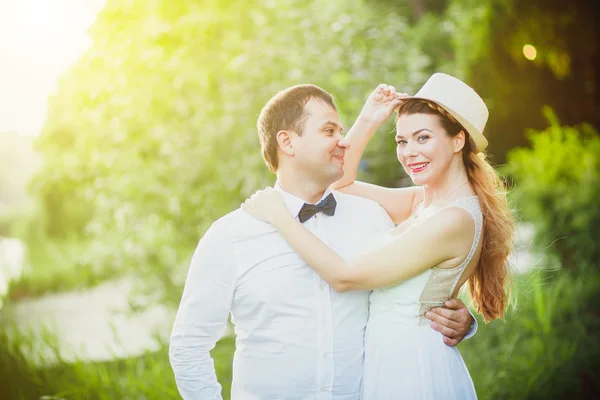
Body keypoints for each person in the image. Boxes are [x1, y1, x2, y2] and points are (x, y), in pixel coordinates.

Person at [169, 82, 477, 400]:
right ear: (287, 142)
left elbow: (414, 283)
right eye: (329, 131)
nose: (342, 142)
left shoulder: (374, 218)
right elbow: (188, 347)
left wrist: (459, 320)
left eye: (341, 131)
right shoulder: (231, 236)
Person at [242, 73, 515, 399]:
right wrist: (369, 119)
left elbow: (344, 277)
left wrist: (280, 217)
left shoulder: (453, 219)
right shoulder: (422, 201)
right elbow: (338, 185)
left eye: (423, 138)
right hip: (389, 360)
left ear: (457, 141)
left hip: (411, 368)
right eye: (402, 141)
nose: (409, 152)